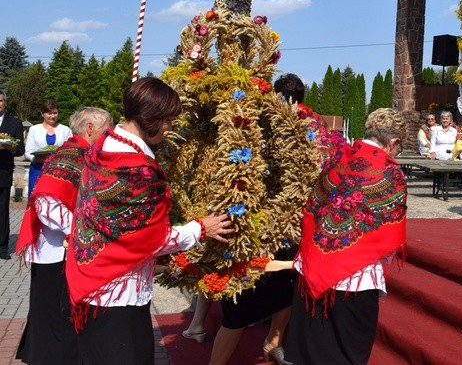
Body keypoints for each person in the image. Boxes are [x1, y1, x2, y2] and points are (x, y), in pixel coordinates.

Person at [65, 78, 234, 364]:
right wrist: (201, 228)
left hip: (92, 276)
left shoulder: (105, 143)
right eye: (167, 120)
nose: (170, 128)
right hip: (117, 289)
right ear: (150, 118)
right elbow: (152, 239)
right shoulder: (136, 169)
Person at [201, 72, 321, 365]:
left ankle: (274, 340)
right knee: (238, 308)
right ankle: (267, 341)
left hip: (284, 223)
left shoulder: (307, 129)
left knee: (285, 287)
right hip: (253, 226)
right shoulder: (257, 126)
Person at [283, 108, 407, 365]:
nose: (397, 153)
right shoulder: (390, 173)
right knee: (347, 355)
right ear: (393, 142)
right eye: (399, 147)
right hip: (355, 283)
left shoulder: (335, 160)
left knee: (310, 351)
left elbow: (312, 207)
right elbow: (389, 229)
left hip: (311, 272)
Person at [15, 107, 113, 365]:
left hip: (65, 250)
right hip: (55, 252)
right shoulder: (70, 155)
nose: (110, 135)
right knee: (54, 318)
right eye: (107, 130)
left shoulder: (81, 152)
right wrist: (82, 228)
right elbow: (46, 203)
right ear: (90, 128)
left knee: (59, 319)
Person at [24, 99, 73, 195]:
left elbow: (70, 150)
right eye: (49, 113)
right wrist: (37, 158)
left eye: (55, 113)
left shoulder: (65, 130)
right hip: (38, 169)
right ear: (42, 114)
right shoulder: (34, 129)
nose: (53, 116)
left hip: (58, 170)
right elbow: (28, 152)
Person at [0, 91, 24, 260]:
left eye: (0, 101)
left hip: (3, 173)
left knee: (2, 212)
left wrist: (12, 148)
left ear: (5, 103)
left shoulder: (14, 123)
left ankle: (2, 248)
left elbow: (21, 149)